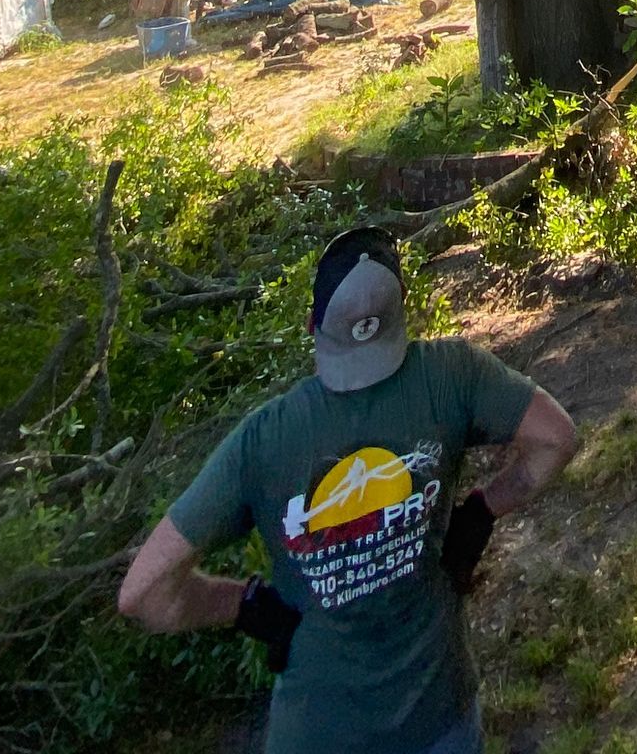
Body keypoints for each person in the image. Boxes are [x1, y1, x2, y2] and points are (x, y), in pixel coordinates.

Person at [119, 225, 579, 754]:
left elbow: (143, 595)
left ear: (312, 324)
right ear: (403, 308)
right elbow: (556, 438)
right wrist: (481, 511)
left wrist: (241, 606)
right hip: (441, 720)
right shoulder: (454, 375)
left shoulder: (264, 440)